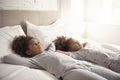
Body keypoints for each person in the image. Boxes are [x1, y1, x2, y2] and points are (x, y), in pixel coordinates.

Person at [11, 35, 120, 80]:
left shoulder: (49, 51)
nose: (39, 44)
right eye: (34, 44)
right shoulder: (34, 60)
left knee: (116, 77)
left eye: (38, 42)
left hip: (86, 65)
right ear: (28, 52)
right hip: (72, 71)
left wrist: (57, 40)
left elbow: (52, 43)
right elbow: (9, 58)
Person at [54, 36, 120, 73]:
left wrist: (80, 45)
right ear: (70, 49)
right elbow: (59, 51)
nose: (78, 42)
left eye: (77, 41)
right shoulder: (77, 54)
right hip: (112, 62)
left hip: (116, 55)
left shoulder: (84, 47)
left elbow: (85, 42)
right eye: (75, 43)